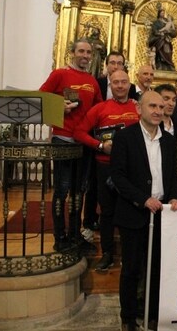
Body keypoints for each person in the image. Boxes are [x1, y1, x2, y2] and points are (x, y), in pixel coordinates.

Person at [110, 91, 177, 331]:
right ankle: (128, 319)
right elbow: (118, 177)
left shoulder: (170, 141)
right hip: (134, 213)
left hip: (162, 214)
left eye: (161, 107)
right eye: (152, 105)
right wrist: (143, 199)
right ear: (139, 108)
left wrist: (173, 197)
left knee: (156, 270)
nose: (157, 111)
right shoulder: (124, 137)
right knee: (131, 269)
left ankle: (152, 316)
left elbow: (171, 176)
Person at [39, 38, 102, 251]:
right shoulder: (60, 74)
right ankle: (60, 237)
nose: (85, 56)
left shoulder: (92, 81)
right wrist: (59, 107)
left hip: (83, 142)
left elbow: (98, 108)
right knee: (62, 190)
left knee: (79, 191)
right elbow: (41, 97)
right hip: (63, 138)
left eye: (88, 53)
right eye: (81, 51)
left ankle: (75, 235)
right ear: (72, 53)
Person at [74, 70, 140, 272]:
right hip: (105, 166)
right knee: (107, 212)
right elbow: (78, 132)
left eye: (124, 82)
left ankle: (132, 255)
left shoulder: (138, 108)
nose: (120, 86)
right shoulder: (100, 108)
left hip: (132, 168)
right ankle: (108, 253)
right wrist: (100, 146)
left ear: (130, 84)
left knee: (132, 211)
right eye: (116, 82)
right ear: (110, 85)